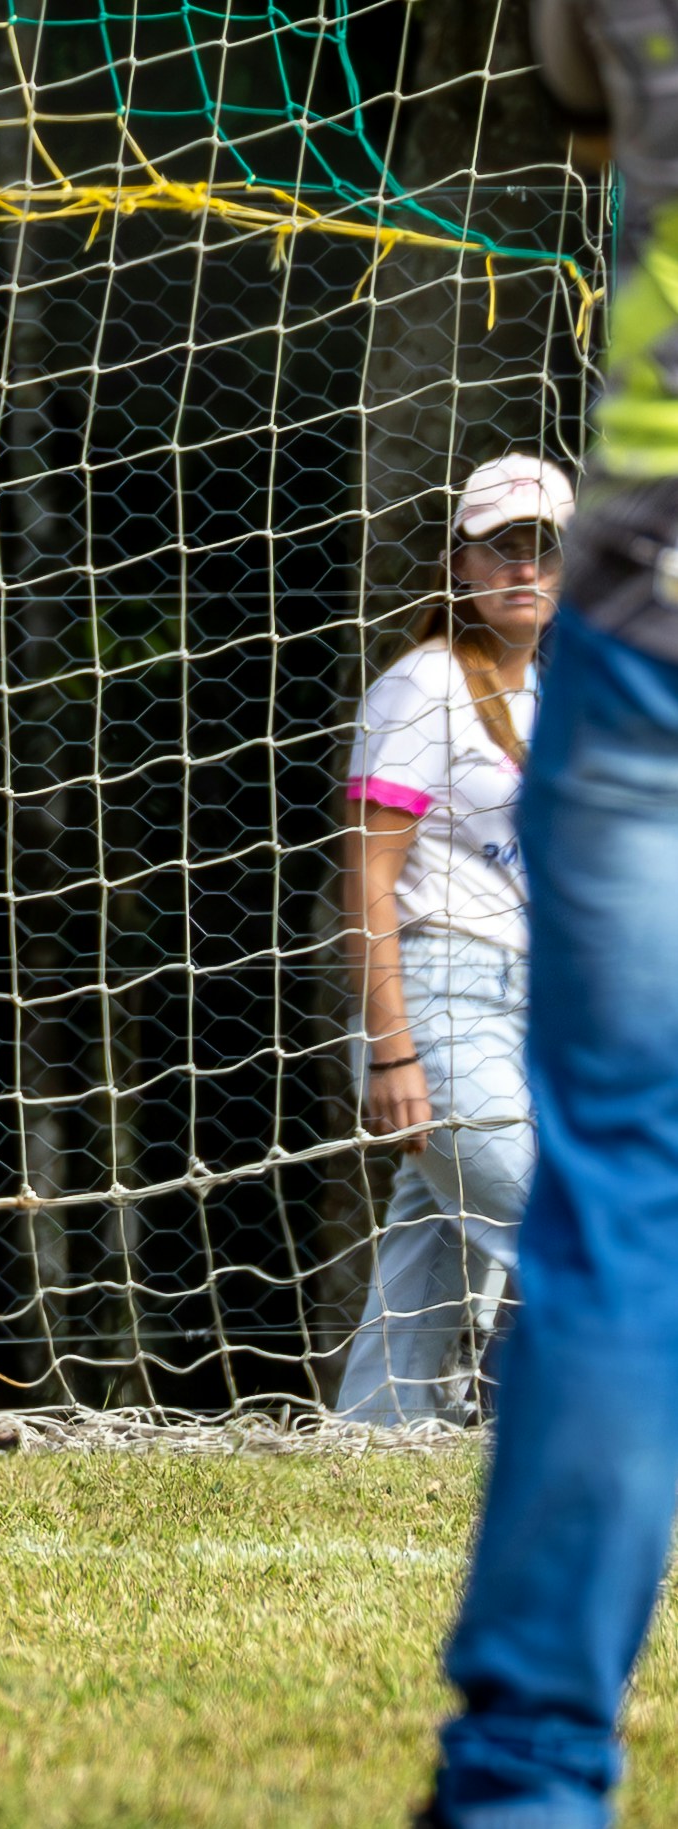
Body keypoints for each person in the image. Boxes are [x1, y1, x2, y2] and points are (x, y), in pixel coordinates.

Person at [424, 6, 678, 1821]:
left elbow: (575, 99)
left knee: (616, 1212)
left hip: (651, 619)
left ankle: (522, 1782)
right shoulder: (423, 688)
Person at [336, 455, 568, 1428]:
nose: (522, 568)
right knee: (578, 1238)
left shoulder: (547, 697)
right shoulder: (420, 685)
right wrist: (393, 1048)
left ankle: (364, 1441)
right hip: (436, 1001)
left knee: (430, 1243)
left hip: (528, 1008)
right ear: (458, 564)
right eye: (499, 547)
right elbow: (365, 880)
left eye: (542, 548)